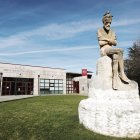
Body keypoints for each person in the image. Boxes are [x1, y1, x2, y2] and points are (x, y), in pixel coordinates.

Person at [97, 11, 130, 89]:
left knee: (115, 56)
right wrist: (110, 40)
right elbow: (101, 42)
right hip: (104, 50)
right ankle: (122, 73)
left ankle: (115, 81)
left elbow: (115, 43)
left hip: (111, 49)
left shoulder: (113, 32)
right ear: (104, 22)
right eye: (107, 22)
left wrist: (106, 40)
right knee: (120, 50)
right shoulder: (100, 30)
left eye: (110, 23)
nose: (108, 24)